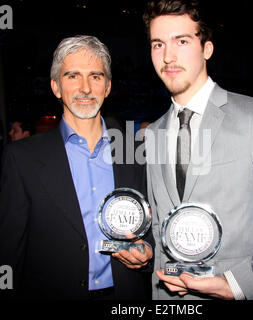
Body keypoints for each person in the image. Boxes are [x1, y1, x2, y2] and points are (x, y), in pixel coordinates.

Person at [143, 0, 253, 300]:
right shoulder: (154, 133)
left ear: (206, 48)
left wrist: (237, 284)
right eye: (158, 44)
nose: (168, 56)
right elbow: (161, 228)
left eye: (181, 41)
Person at [0, 35, 153, 300]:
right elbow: (10, 250)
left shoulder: (136, 154)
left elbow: (151, 228)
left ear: (107, 87)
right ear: (56, 87)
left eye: (95, 76)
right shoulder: (21, 159)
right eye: (73, 76)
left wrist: (147, 254)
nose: (85, 88)